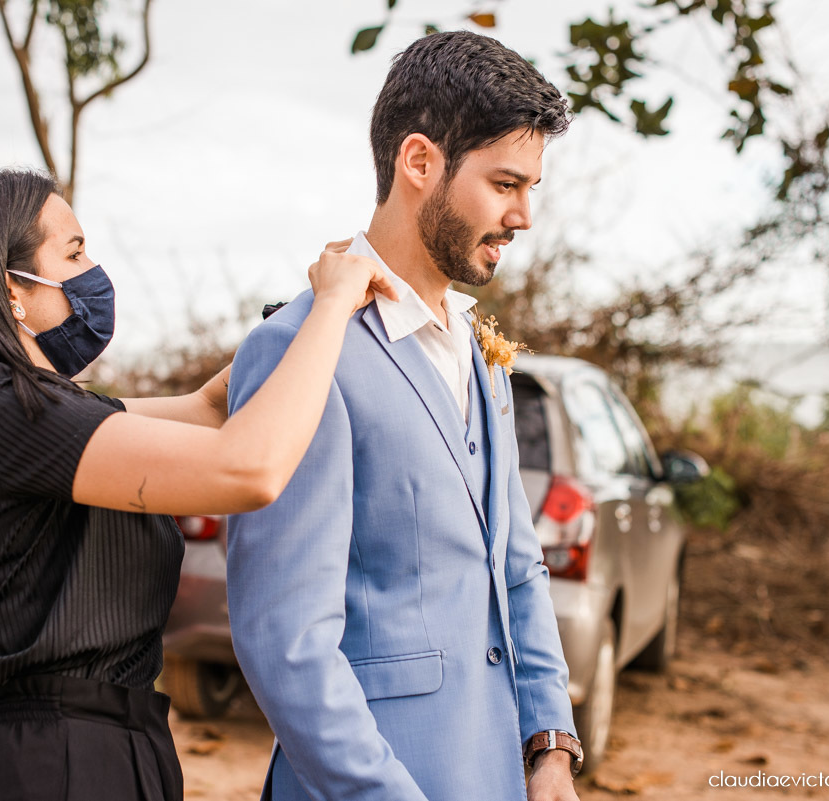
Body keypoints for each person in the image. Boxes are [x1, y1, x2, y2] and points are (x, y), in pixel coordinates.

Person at [0, 168, 395, 801]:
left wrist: (312, 306)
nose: (93, 273)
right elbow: (247, 467)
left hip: (111, 749)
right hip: (53, 767)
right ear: (12, 291)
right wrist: (333, 306)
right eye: (74, 252)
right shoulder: (6, 412)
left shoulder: (51, 412)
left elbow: (208, 408)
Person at [226, 31, 581, 801]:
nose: (523, 215)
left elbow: (516, 566)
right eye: (504, 183)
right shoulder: (295, 350)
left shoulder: (481, 354)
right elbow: (286, 642)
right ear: (418, 162)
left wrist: (549, 743)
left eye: (532, 188)